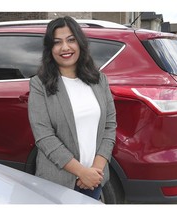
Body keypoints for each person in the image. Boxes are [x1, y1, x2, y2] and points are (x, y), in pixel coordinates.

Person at [28, 16, 116, 200]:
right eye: (57, 42)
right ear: (50, 49)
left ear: (80, 43)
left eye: (71, 40)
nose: (65, 48)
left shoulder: (100, 80)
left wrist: (95, 170)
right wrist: (81, 172)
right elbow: (44, 136)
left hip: (94, 179)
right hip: (57, 182)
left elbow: (109, 126)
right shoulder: (39, 85)